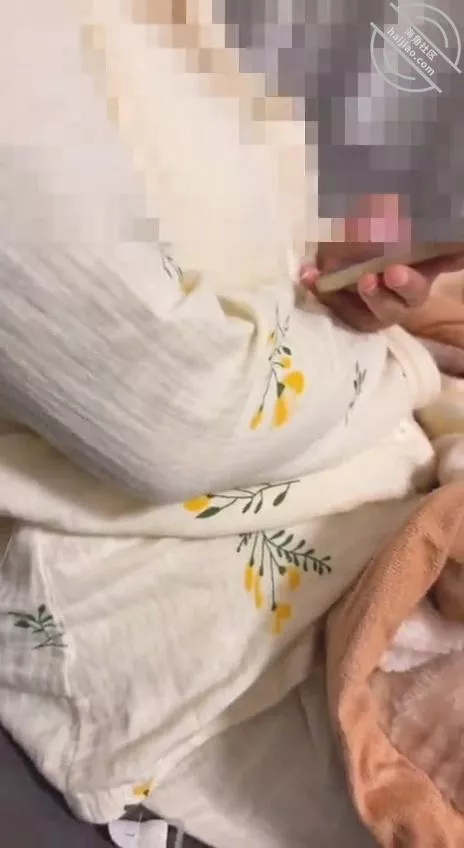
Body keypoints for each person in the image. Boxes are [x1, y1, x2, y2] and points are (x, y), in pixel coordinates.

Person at [0, 4, 463, 847]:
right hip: (186, 600)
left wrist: (349, 276)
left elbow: (280, 269)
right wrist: (383, 355)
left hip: (369, 466)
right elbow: (173, 420)